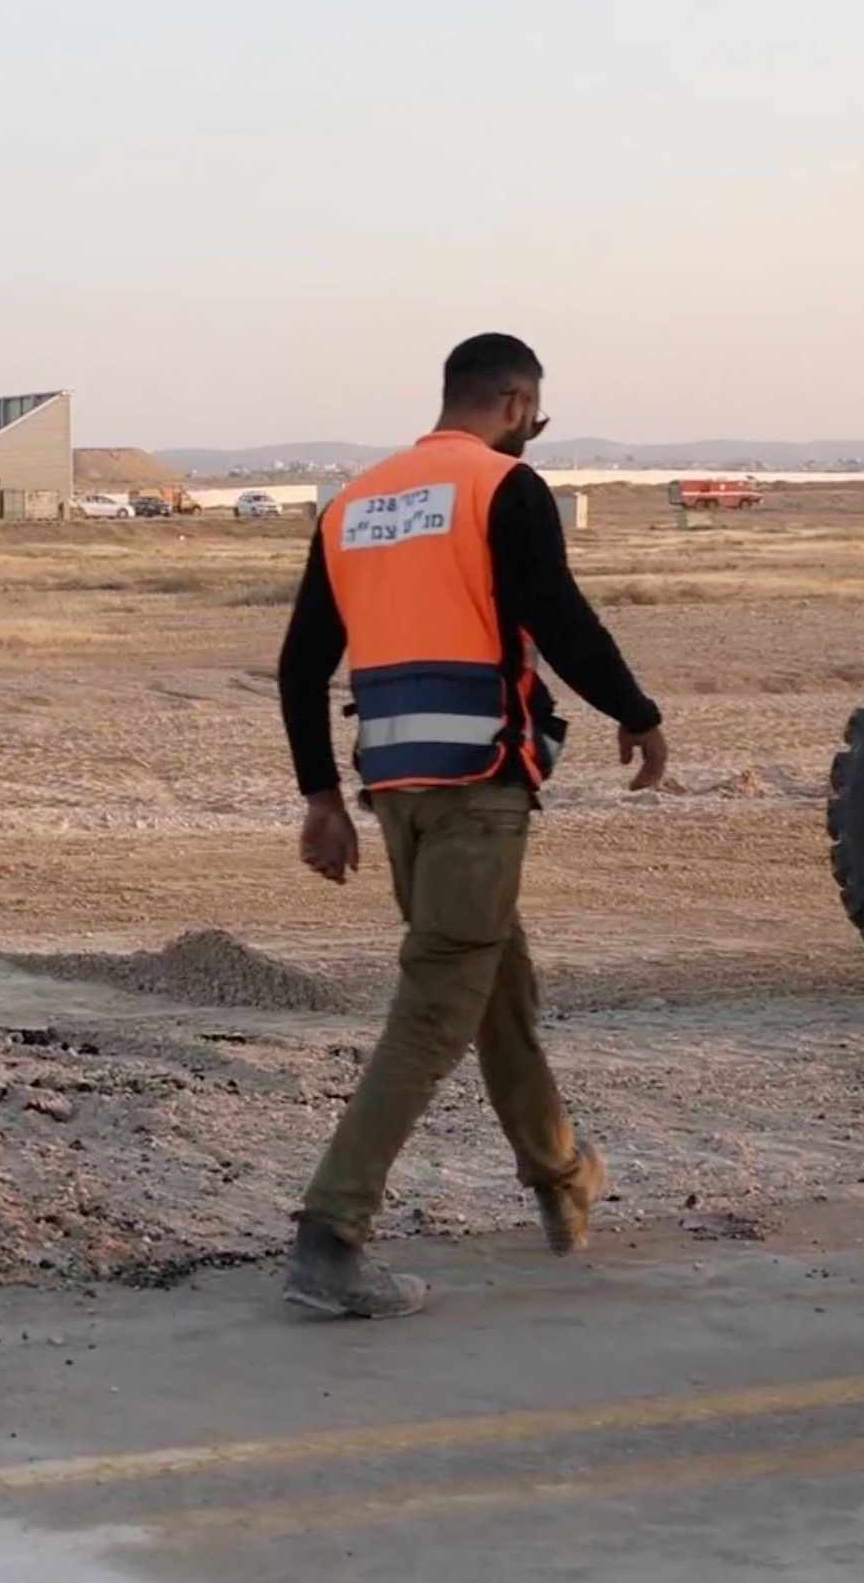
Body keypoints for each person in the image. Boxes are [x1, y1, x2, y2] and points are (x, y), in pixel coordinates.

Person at [273, 333, 668, 1319]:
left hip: (398, 793)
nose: (531, 431)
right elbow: (561, 617)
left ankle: (561, 1174)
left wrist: (322, 796)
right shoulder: (503, 489)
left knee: (496, 983)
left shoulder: (355, 502)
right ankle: (331, 1231)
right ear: (516, 400)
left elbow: (299, 663)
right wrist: (638, 711)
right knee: (441, 1001)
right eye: (533, 417)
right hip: (480, 786)